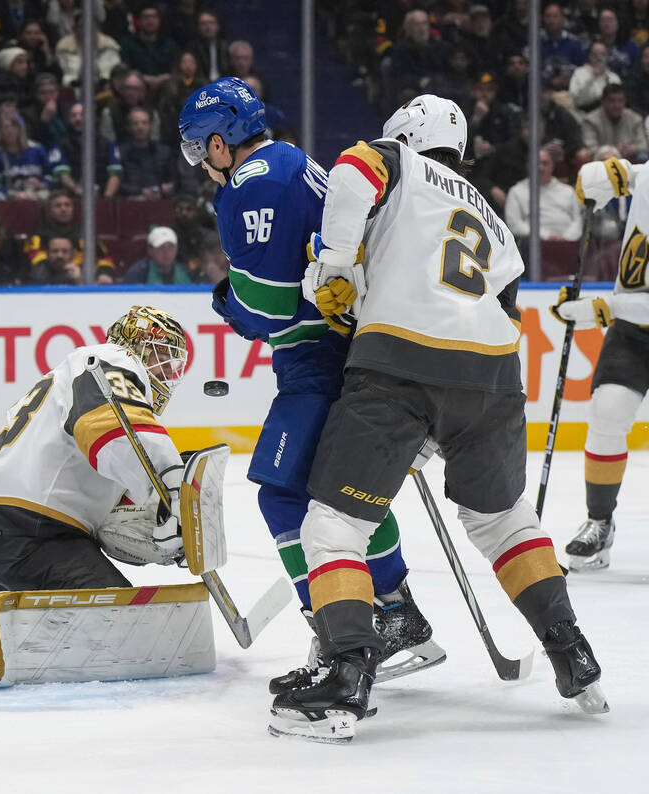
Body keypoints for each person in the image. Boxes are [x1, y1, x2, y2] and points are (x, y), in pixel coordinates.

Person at [272, 94, 605, 742]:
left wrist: (337, 265)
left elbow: (348, 171)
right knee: (505, 521)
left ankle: (345, 675)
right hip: (493, 377)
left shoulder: (397, 164)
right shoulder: (497, 224)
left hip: (398, 364)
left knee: (334, 528)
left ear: (405, 134)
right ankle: (576, 655)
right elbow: (508, 317)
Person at [177, 76, 443, 692]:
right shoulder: (294, 160)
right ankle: (398, 614)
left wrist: (227, 301)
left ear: (221, 143)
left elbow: (268, 306)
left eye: (201, 148)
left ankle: (336, 632)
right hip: (351, 350)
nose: (202, 162)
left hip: (315, 361)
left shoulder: (253, 183)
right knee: (347, 494)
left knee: (281, 495)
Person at [0, 305, 191, 684]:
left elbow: (110, 516)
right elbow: (112, 429)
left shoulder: (78, 373)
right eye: (159, 355)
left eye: (172, 364)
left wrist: (161, 533)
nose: (165, 371)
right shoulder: (111, 360)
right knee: (114, 618)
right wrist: (170, 487)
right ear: (134, 345)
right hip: (22, 526)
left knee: (71, 572)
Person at [552, 155, 649, 571]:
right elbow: (628, 175)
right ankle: (599, 522)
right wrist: (607, 174)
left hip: (626, 315)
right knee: (607, 413)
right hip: (632, 331)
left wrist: (602, 309)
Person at [504, 145, 583, 248]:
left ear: (552, 166)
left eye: (545, 163)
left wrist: (566, 238)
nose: (540, 167)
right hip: (533, 248)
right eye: (536, 163)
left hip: (569, 246)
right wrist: (545, 236)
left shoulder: (568, 191)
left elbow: (578, 220)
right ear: (529, 166)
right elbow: (514, 224)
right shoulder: (516, 191)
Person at [581, 83, 648, 160]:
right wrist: (614, 151)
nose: (617, 105)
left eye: (620, 100)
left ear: (625, 101)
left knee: (643, 156)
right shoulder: (590, 120)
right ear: (602, 101)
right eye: (612, 100)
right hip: (601, 164)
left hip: (630, 163)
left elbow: (644, 146)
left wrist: (631, 149)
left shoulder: (635, 119)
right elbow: (589, 148)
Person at [122, 226, 190, 284]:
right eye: (161, 247)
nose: (166, 252)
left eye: (171, 247)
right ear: (150, 250)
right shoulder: (137, 274)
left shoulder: (186, 273)